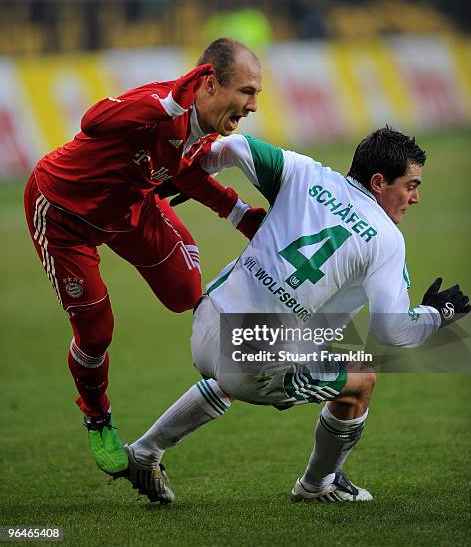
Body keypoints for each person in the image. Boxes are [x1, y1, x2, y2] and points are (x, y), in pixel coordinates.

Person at [116, 127, 469, 504]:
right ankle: (318, 485)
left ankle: (145, 450)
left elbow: (236, 145)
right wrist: (436, 314)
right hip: (250, 365)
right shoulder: (386, 238)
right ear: (380, 182)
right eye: (411, 186)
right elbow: (391, 329)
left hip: (207, 323)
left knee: (277, 345)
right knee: (362, 380)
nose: (415, 198)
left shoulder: (305, 172)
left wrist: (194, 174)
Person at [24, 38, 266, 477]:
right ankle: (97, 415)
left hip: (131, 208)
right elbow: (92, 120)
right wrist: (170, 105)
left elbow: (182, 168)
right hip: (63, 213)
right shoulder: (163, 100)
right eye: (247, 92)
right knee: (96, 333)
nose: (252, 105)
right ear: (211, 83)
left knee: (184, 292)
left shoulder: (206, 125)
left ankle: (244, 342)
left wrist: (238, 213)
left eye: (256, 95)